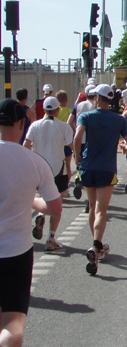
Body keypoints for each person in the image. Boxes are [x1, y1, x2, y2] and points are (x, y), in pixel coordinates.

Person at [0, 99, 62, 347]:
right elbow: (53, 206)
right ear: (22, 125)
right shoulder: (33, 161)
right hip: (14, 253)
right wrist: (32, 201)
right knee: (12, 323)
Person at [73, 84, 127, 275]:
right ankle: (96, 245)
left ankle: (96, 244)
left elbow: (77, 138)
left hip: (87, 167)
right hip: (107, 168)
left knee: (92, 207)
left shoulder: (86, 116)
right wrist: (123, 145)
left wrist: (77, 157)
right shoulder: (119, 120)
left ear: (98, 98)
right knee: (102, 209)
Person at [23, 95, 73, 251]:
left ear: (44, 110)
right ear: (58, 110)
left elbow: (26, 145)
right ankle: (51, 237)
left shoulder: (35, 125)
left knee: (41, 197)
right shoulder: (64, 127)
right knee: (56, 203)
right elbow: (71, 147)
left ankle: (40, 216)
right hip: (58, 168)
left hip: (38, 167)